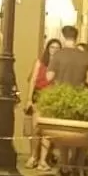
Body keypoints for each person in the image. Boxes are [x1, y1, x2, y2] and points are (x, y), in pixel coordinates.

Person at [25, 38, 60, 168]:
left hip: (51, 97)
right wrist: (29, 99)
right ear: (47, 49)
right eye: (52, 47)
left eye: (57, 48)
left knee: (48, 130)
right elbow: (33, 80)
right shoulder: (40, 63)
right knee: (36, 128)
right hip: (39, 95)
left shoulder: (59, 65)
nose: (54, 50)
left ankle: (43, 160)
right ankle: (33, 156)